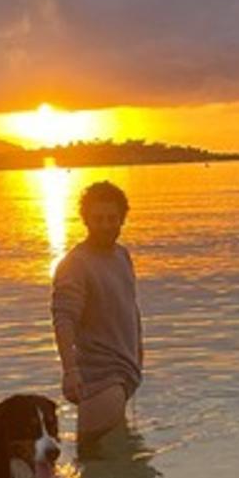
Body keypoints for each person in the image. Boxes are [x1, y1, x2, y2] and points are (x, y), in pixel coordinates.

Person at [51, 180, 143, 449]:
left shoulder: (122, 256)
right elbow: (64, 318)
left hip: (126, 371)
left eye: (112, 218)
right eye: (98, 219)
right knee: (95, 462)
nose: (105, 225)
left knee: (124, 467)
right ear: (86, 220)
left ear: (122, 219)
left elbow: (130, 306)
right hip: (99, 378)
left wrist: (139, 351)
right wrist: (70, 371)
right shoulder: (75, 264)